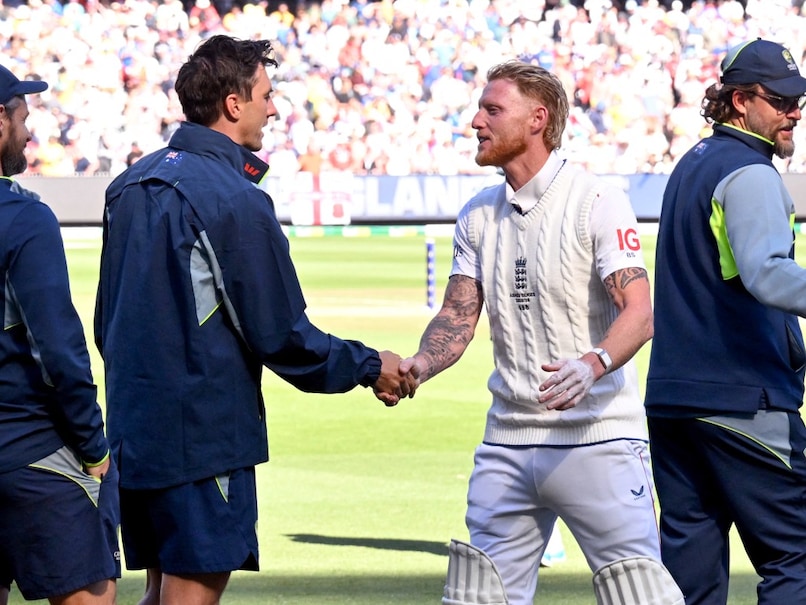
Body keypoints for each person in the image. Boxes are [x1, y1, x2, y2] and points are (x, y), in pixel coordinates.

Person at [93, 35, 416, 605]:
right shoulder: (233, 198)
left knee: (158, 591)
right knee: (189, 595)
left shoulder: (127, 185)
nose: (275, 108)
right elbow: (283, 336)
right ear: (233, 104)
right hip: (201, 439)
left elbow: (105, 323)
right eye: (267, 95)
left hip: (132, 432)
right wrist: (372, 365)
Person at [401, 60, 681, 605]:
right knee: (476, 598)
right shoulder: (477, 215)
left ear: (537, 118)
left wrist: (591, 364)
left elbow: (641, 313)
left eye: (491, 109)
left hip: (598, 437)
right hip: (506, 441)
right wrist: (419, 365)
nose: (474, 121)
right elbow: (458, 316)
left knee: (641, 596)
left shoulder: (598, 200)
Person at [645, 38, 806, 604]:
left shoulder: (693, 162)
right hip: (743, 398)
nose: (794, 113)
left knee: (691, 576)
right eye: (782, 101)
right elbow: (767, 274)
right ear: (741, 101)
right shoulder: (751, 172)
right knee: (797, 559)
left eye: (799, 100)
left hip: (672, 400)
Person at [0, 65, 120, 603]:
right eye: (23, 118)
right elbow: (61, 351)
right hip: (31, 451)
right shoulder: (23, 219)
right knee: (93, 595)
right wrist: (94, 448)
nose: (29, 133)